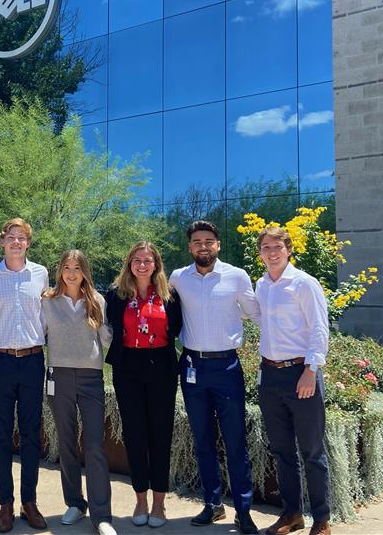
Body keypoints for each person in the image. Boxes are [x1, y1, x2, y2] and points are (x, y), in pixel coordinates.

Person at [169, 220, 261, 534]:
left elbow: (257, 313)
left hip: (227, 368)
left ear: (218, 245)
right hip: (192, 367)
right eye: (197, 241)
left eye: (209, 241)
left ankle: (244, 510)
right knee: (202, 440)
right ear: (190, 247)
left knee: (235, 441)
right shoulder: (178, 278)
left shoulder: (237, 276)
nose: (203, 246)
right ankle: (213, 503)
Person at [255, 227, 331, 535]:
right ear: (260, 252)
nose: (271, 252)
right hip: (270, 374)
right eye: (265, 247)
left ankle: (322, 519)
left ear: (288, 250)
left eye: (277, 246)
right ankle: (292, 514)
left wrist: (311, 370)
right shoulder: (260, 285)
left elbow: (319, 328)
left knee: (312, 451)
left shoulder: (304, 284)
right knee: (282, 450)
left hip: (302, 374)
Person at [105, 242, 183, 529]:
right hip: (128, 370)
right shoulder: (116, 294)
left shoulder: (169, 296)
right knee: (135, 436)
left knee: (160, 437)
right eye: (136, 260)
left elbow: (176, 329)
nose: (141, 265)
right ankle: (140, 500)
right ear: (129, 264)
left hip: (161, 369)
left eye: (147, 260)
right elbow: (107, 327)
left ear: (156, 264)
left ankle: (160, 504)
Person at [0, 217, 49, 533]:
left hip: (33, 360)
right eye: (11, 237)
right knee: (2, 435)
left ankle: (29, 502)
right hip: (0, 362)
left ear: (28, 243)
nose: (16, 242)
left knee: (32, 434)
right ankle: (5, 504)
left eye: (22, 237)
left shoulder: (41, 273)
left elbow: (45, 315)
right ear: (2, 241)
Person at [42, 250, 116, 535]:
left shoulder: (97, 301)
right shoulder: (48, 301)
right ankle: (74, 502)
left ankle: (102, 516)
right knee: (67, 441)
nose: (71, 273)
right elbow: (39, 333)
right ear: (60, 270)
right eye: (66, 267)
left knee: (95, 445)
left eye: (77, 268)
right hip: (58, 376)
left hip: (90, 377)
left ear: (85, 271)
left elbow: (107, 339)